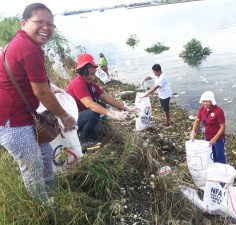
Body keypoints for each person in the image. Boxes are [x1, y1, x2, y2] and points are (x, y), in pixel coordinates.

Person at [0, 3, 76, 204]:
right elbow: (41, 92)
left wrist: (54, 88)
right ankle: (44, 209)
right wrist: (64, 116)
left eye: (50, 24)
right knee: (32, 167)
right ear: (24, 23)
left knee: (45, 154)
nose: (46, 28)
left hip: (20, 115)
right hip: (11, 121)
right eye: (39, 22)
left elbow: (33, 80)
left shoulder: (19, 43)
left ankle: (53, 195)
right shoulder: (28, 48)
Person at [66, 53, 135, 144]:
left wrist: (126, 108)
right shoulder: (78, 84)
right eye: (88, 74)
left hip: (81, 114)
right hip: (70, 120)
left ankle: (94, 132)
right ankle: (83, 139)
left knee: (102, 105)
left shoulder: (91, 84)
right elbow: (89, 104)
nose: (91, 76)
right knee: (93, 112)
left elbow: (106, 98)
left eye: (93, 74)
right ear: (81, 71)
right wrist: (112, 113)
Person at [190, 91, 226, 163]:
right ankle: (215, 169)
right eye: (204, 101)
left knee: (219, 156)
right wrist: (193, 131)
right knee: (211, 154)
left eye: (207, 101)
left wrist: (215, 138)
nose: (205, 103)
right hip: (207, 137)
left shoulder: (218, 111)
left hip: (218, 139)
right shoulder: (202, 109)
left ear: (212, 101)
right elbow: (197, 121)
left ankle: (223, 169)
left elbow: (223, 127)